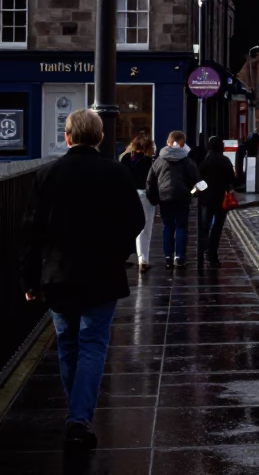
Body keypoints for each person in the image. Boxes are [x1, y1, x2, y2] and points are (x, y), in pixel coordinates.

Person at [20, 108, 145, 451]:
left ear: (67, 137)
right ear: (100, 137)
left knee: (68, 346)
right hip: (101, 274)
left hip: (57, 274)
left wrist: (30, 279)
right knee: (92, 345)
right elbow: (135, 221)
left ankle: (77, 416)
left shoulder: (47, 174)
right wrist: (115, 253)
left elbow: (31, 233)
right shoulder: (116, 172)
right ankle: (78, 420)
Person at [146, 131, 200, 269]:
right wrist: (192, 194)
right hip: (182, 196)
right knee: (181, 226)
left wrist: (153, 198)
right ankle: (180, 256)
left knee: (167, 226)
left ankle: (168, 257)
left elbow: (150, 181)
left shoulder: (159, 160)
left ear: (167, 143)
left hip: (164, 197)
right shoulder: (187, 161)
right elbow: (198, 182)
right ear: (183, 144)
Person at [120, 134, 156, 272]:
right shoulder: (149, 161)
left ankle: (125, 256)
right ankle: (143, 259)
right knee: (145, 229)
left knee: (127, 227)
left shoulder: (125, 158)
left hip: (128, 195)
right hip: (144, 195)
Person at [197, 136, 235, 268]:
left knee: (205, 227)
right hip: (221, 199)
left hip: (206, 199)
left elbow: (199, 180)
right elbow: (232, 180)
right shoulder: (225, 161)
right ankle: (213, 255)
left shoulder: (205, 162)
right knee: (217, 228)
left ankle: (202, 253)